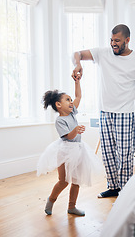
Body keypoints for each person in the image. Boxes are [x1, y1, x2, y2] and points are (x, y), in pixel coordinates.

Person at [72, 24, 135, 198]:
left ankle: (126, 189)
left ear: (127, 40)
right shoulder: (102, 53)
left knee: (125, 153)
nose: (113, 44)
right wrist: (78, 64)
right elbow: (76, 53)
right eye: (111, 40)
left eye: (117, 41)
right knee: (107, 152)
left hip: (125, 113)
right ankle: (113, 187)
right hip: (105, 112)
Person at [37, 77, 102, 216]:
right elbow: (68, 136)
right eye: (68, 100)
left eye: (71, 100)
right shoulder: (60, 120)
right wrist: (76, 130)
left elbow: (79, 96)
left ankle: (71, 207)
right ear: (58, 105)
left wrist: (77, 82)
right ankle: (51, 200)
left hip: (79, 150)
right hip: (66, 151)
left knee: (76, 181)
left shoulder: (72, 112)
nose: (72, 102)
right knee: (63, 181)